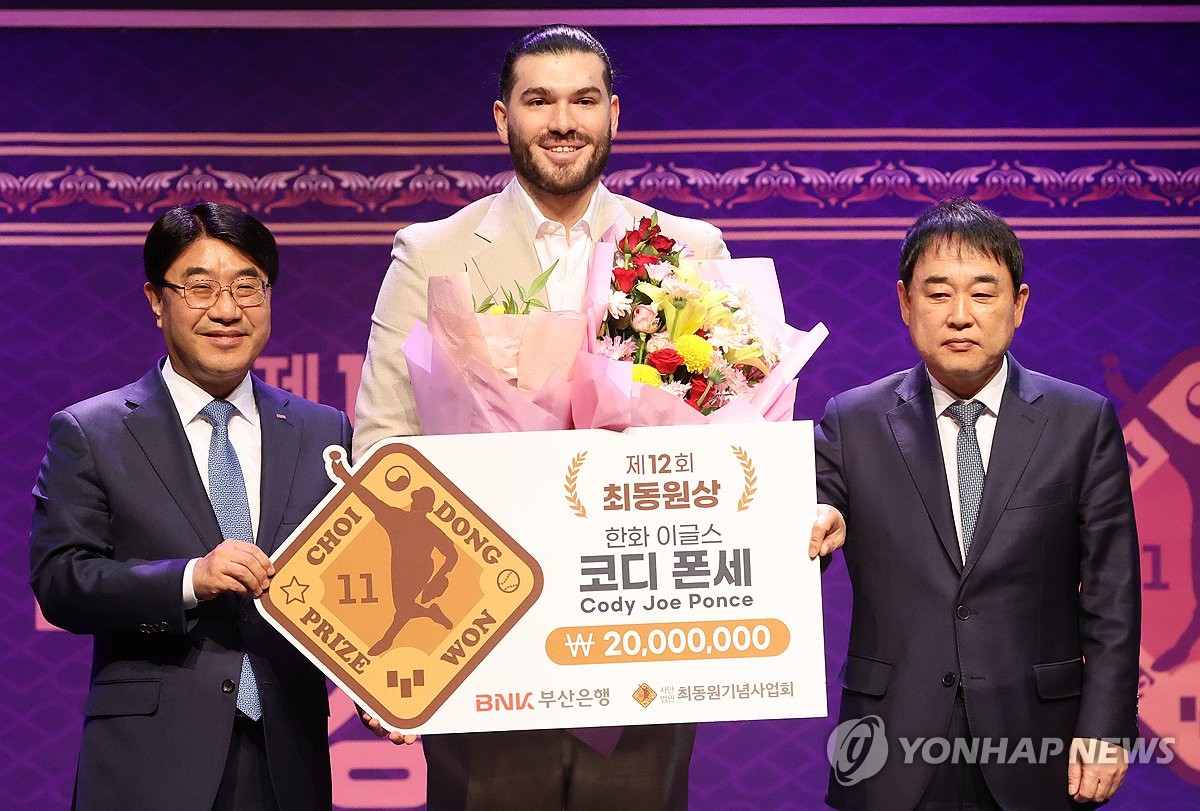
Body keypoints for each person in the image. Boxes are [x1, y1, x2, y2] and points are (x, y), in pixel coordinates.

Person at [353, 23, 738, 811]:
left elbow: (737, 437)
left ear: (614, 114)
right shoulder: (432, 252)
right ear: (503, 118)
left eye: (583, 100)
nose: (562, 120)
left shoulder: (683, 247)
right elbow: (384, 445)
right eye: (539, 101)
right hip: (485, 634)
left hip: (640, 636)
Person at [810, 197, 1140, 810]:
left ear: (1018, 305)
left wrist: (1108, 724)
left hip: (1038, 741)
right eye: (938, 294)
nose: (960, 316)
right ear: (906, 303)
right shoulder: (851, 422)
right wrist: (811, 525)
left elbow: (1112, 594)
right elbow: (804, 525)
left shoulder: (1080, 421)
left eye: (983, 294)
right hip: (891, 741)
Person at [30, 202, 351, 811]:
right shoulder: (92, 431)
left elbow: (356, 576)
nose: (227, 310)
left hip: (289, 755)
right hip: (149, 760)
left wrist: (387, 688)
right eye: (199, 287)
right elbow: (62, 581)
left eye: (247, 285)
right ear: (157, 300)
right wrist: (189, 579)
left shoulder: (321, 430)